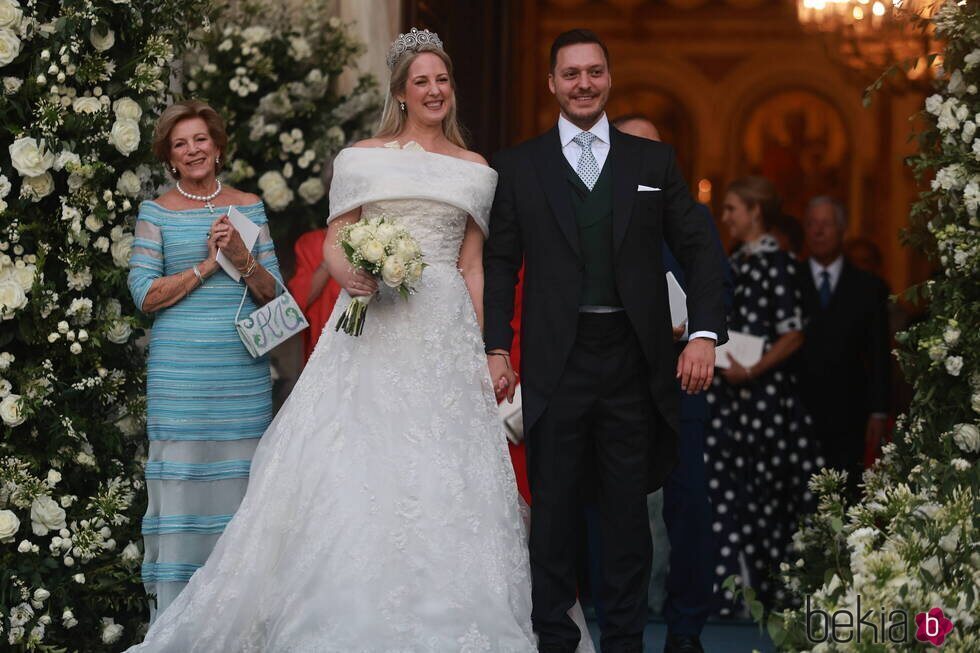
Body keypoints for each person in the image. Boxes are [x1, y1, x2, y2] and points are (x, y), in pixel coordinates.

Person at [128, 29, 554, 651]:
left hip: (443, 330)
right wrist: (352, 268)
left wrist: (490, 350)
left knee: (445, 469)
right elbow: (336, 236)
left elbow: (471, 266)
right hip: (372, 322)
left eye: (443, 80)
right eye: (421, 82)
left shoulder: (477, 171)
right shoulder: (361, 158)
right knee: (356, 458)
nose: (434, 91)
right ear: (402, 94)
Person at [484, 29, 728, 653]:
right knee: (555, 521)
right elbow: (501, 263)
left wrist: (702, 334)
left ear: (609, 78)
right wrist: (494, 349)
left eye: (594, 72)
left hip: (632, 360)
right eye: (571, 74)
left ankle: (624, 643)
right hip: (555, 364)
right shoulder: (519, 165)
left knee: (627, 522)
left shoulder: (654, 162)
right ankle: (554, 643)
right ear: (552, 84)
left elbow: (699, 250)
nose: (583, 84)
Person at [127, 100, 282, 619]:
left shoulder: (251, 208)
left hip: (241, 378)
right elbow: (145, 296)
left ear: (217, 147)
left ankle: (238, 627)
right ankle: (178, 627)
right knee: (183, 500)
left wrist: (243, 259)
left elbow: (280, 301)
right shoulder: (157, 213)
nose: (192, 150)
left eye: (200, 140)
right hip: (181, 382)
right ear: (170, 158)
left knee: (241, 504)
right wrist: (208, 265)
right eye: (180, 144)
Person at [609, 114, 731, 653]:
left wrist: (698, 330)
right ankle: (621, 629)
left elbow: (714, 281)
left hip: (684, 378)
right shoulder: (594, 214)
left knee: (688, 507)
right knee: (615, 509)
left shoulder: (690, 215)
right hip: (615, 379)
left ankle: (686, 631)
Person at [704, 176, 822, 615]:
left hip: (764, 401)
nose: (726, 216)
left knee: (766, 496)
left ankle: (770, 595)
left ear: (756, 211)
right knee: (731, 494)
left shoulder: (779, 264)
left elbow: (793, 335)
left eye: (733, 208)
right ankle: (736, 594)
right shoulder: (738, 260)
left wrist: (752, 369)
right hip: (731, 399)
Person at [799, 197, 890, 499]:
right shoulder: (788, 280)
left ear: (842, 230)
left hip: (849, 413)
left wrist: (879, 411)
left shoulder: (868, 286)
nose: (818, 232)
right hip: (796, 413)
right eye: (812, 224)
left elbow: (879, 353)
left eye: (826, 224)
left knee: (845, 498)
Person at [286, 227, 342, 361]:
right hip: (324, 344)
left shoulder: (376, 240)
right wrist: (332, 255)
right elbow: (299, 302)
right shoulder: (310, 243)